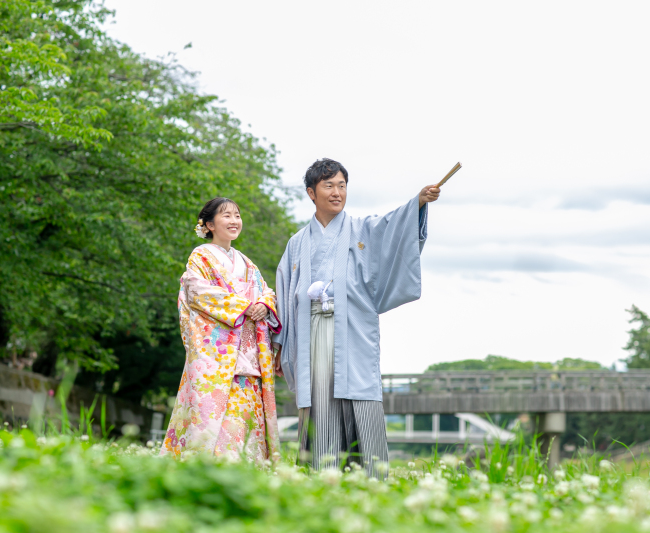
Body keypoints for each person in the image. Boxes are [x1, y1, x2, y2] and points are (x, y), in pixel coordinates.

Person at [272, 159, 440, 477]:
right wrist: (281, 346)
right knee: (319, 400)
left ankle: (370, 476)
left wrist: (416, 204)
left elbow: (393, 226)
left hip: (351, 327)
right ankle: (322, 474)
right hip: (311, 332)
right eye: (328, 185)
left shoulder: (362, 229)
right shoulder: (297, 243)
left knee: (360, 396)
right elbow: (284, 292)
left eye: (342, 185)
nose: (337, 192)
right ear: (311, 192)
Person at [161, 197, 282, 462]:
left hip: (248, 358)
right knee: (215, 419)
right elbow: (195, 290)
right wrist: (243, 306)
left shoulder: (247, 263)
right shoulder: (201, 256)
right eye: (226, 215)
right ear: (208, 224)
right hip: (216, 356)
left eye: (237, 215)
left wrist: (263, 303)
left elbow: (266, 291)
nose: (234, 221)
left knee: (249, 421)